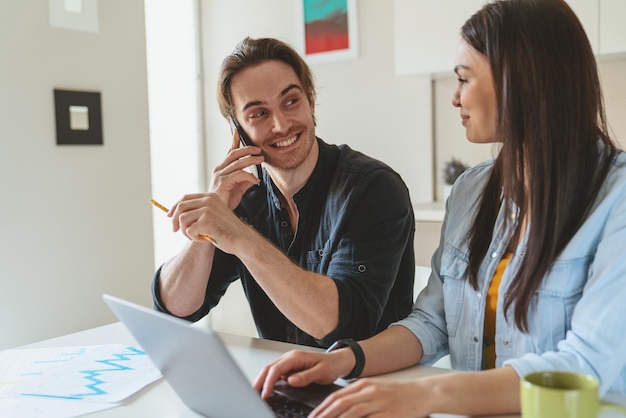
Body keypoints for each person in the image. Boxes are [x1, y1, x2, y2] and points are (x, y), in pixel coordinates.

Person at [254, 0, 626, 416]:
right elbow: (433, 323)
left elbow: (582, 365)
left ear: (519, 82)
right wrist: (342, 360)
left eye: (464, 79)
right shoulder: (472, 190)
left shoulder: (617, 199)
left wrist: (427, 395)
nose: (455, 97)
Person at [151, 37, 416, 349]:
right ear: (238, 129)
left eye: (291, 101)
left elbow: (345, 328)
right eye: (259, 113)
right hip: (285, 386)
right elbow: (175, 310)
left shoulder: (373, 188)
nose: (280, 124)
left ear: (311, 101)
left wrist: (241, 237)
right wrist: (207, 227)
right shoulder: (245, 198)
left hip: (371, 387)